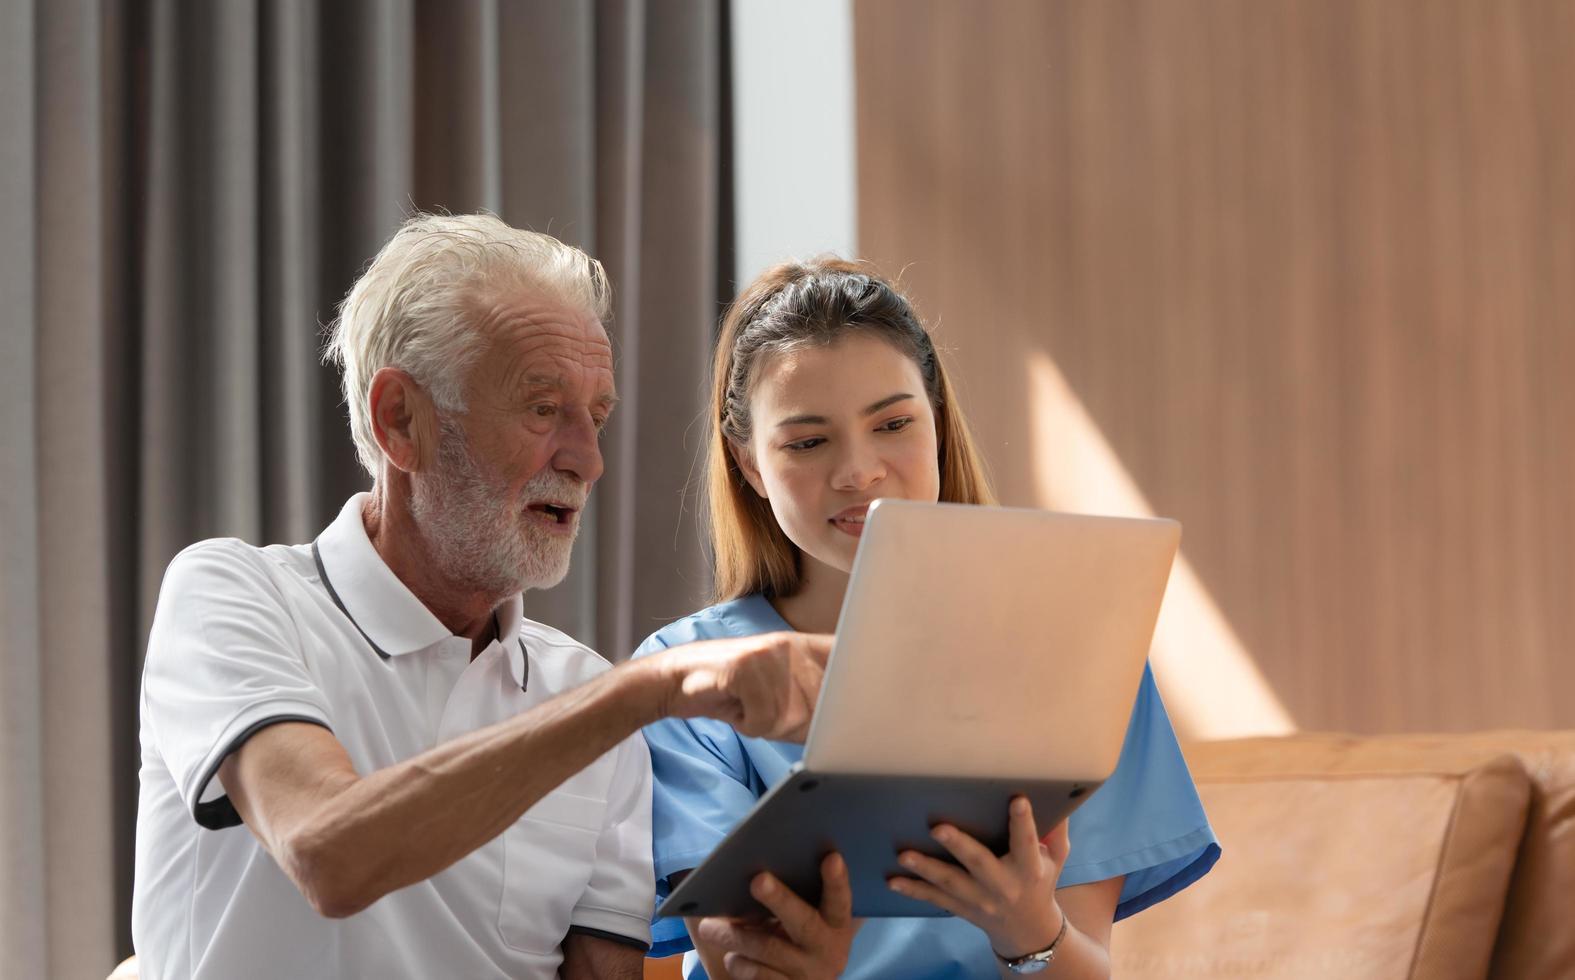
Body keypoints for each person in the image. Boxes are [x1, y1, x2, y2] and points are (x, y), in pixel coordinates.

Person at [130, 213, 832, 980]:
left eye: (596, 416)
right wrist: (648, 691)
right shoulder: (233, 594)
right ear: (401, 421)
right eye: (542, 408)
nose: (588, 460)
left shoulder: (590, 693)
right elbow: (326, 851)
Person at [635, 258, 1221, 979]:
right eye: (807, 441)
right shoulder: (681, 679)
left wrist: (1028, 931)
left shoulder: (1080, 650)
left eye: (892, 423)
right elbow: (732, 957)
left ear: (937, 424)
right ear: (749, 463)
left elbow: (1088, 964)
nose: (859, 470)